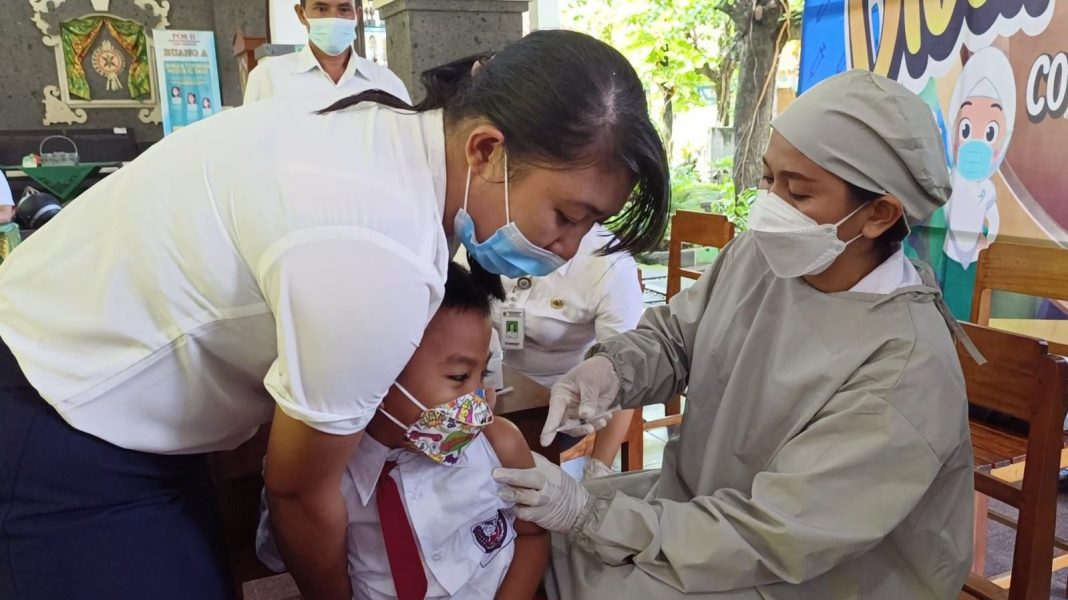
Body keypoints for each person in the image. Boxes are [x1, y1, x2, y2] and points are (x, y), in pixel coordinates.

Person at [0, 30, 668, 600]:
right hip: (58, 411)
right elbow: (297, 494)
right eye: (566, 215)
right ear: (487, 151)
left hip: (106, 393)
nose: (567, 247)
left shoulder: (378, 133)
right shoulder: (379, 248)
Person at [494, 69, 976, 600]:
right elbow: (678, 338)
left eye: (799, 191)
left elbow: (778, 533)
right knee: (518, 538)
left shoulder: (905, 366)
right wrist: (612, 369)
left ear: (880, 214)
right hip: (702, 510)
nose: (771, 204)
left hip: (819, 570)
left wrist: (590, 512)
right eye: (770, 179)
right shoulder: (761, 258)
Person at [258, 261, 549, 599]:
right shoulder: (323, 480)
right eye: (458, 377)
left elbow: (533, 536)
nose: (479, 399)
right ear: (381, 370)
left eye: (482, 375)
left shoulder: (500, 444)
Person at [493, 223, 643, 480]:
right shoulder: (491, 233)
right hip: (484, 390)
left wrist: (598, 468)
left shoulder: (608, 266)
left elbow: (623, 375)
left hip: (559, 411)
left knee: (500, 464)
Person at [243, 0, 409, 107]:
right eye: (321, 8)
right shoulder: (267, 79)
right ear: (302, 14)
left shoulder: (388, 83)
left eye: (344, 9)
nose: (333, 18)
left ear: (356, 15)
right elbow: (252, 148)